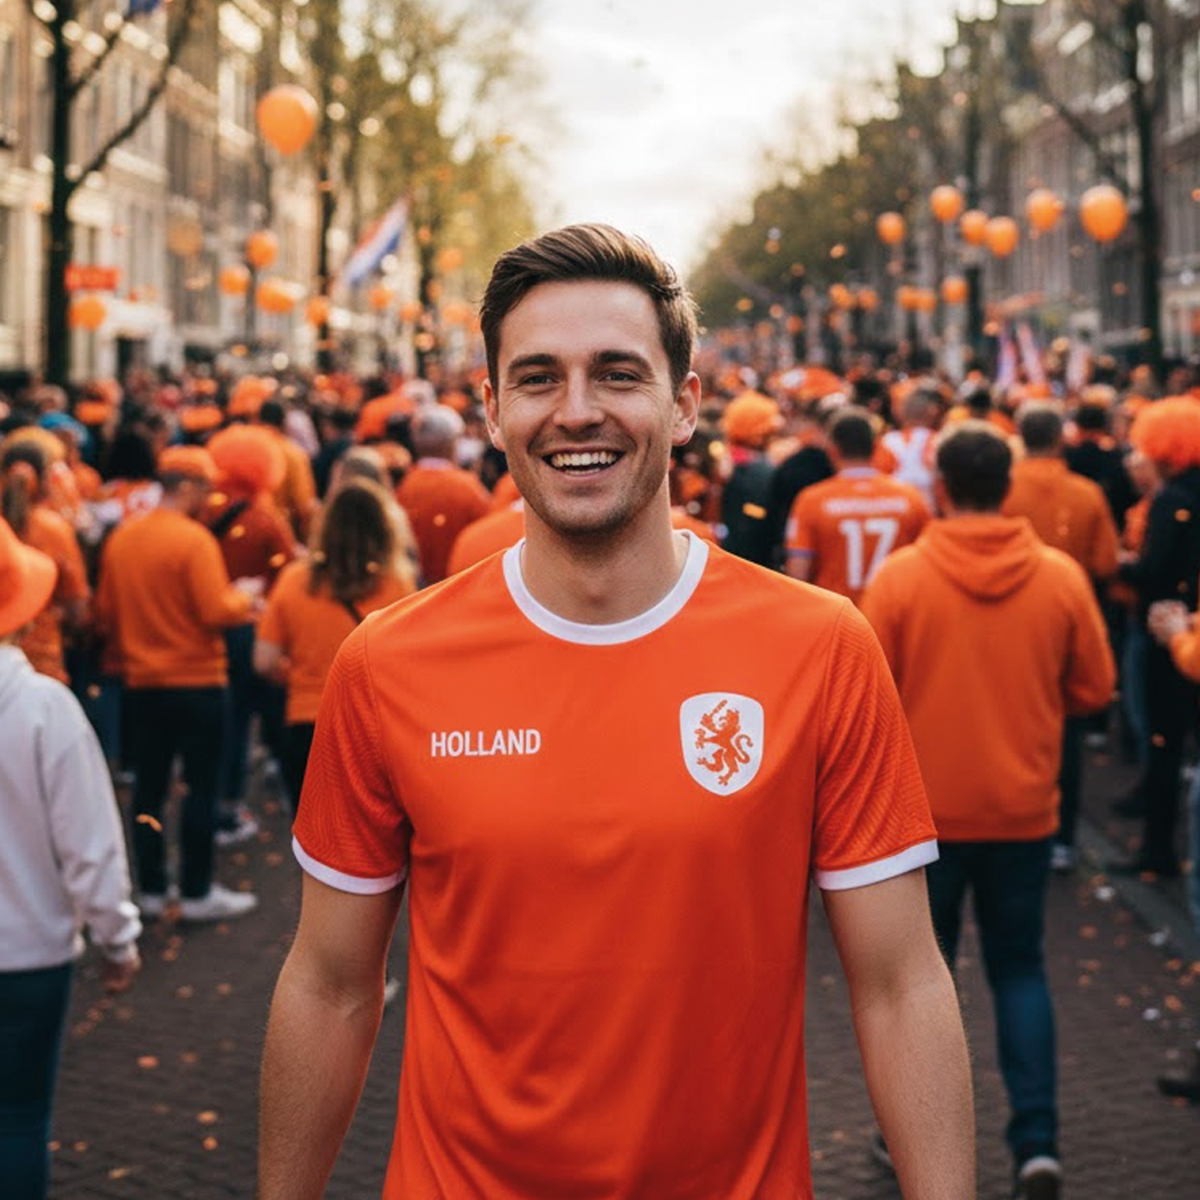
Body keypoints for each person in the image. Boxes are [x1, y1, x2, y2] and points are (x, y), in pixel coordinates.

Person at [260, 223, 974, 1200]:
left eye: (618, 374)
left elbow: (901, 983)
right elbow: (330, 984)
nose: (578, 411)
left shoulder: (822, 648)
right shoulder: (385, 666)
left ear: (683, 406)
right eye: (540, 377)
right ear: (495, 408)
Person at [861, 422, 1115, 1200]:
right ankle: (1036, 1143)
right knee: (1020, 970)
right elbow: (1093, 691)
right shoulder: (1061, 578)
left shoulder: (902, 578)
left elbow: (870, 699)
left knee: (912, 982)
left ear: (941, 485)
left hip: (923, 819)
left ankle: (898, 1130)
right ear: (1008, 487)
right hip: (1023, 811)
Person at [0, 516, 141, 1200]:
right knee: (19, 1120)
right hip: (27, 956)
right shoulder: (42, 709)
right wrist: (117, 937)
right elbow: (89, 845)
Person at [93, 446, 260, 922]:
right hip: (198, 681)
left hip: (142, 684)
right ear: (186, 487)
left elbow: (105, 612)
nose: (210, 499)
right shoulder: (193, 541)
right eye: (206, 489)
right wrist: (242, 597)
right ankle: (195, 889)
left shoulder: (123, 538)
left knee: (148, 788)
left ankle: (149, 885)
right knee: (199, 787)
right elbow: (216, 611)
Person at [1001, 402, 1119, 872]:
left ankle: (1008, 818)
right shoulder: (1087, 493)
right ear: (1060, 438)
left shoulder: (1004, 489)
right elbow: (1107, 564)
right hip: (1069, 618)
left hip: (1006, 622)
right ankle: (1062, 838)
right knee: (1063, 727)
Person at [253, 479, 416, 812]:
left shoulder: (294, 581)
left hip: (307, 722)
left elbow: (263, 661)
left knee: (311, 837)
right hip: (373, 727)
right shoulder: (396, 584)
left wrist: (298, 675)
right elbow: (411, 664)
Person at [1112, 398, 1200, 877]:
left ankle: (1157, 848)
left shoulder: (1170, 500)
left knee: (1161, 739)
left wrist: (1119, 563)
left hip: (1169, 631)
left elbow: (1154, 569)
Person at [785, 408, 930, 606]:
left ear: (833, 449)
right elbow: (927, 568)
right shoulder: (911, 498)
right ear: (876, 446)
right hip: (894, 614)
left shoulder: (812, 500)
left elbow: (798, 574)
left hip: (837, 618)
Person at [393, 403, 491, 585]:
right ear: (453, 442)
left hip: (412, 590)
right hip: (458, 587)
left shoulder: (401, 487)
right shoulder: (469, 488)